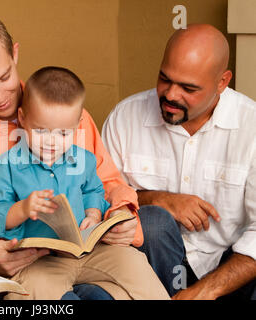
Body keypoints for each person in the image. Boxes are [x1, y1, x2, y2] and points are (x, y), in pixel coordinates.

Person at [0, 9, 143, 299]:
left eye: (4, 77)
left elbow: (106, 182)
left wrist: (119, 212)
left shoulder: (66, 112)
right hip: (19, 267)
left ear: (15, 54)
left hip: (87, 250)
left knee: (156, 225)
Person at [0, 66, 169, 300]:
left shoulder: (84, 160)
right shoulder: (5, 165)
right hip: (40, 261)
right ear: (22, 118)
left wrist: (93, 214)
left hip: (90, 251)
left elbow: (93, 191)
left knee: (135, 263)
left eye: (63, 134)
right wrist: (24, 208)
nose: (51, 143)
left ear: (78, 125)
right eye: (41, 131)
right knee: (26, 293)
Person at [102, 24, 256, 299]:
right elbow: (98, 200)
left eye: (188, 88)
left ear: (222, 82)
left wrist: (205, 292)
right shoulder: (125, 117)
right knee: (153, 222)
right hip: (148, 264)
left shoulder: (251, 126)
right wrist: (156, 199)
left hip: (229, 269)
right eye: (164, 79)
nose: (171, 95)